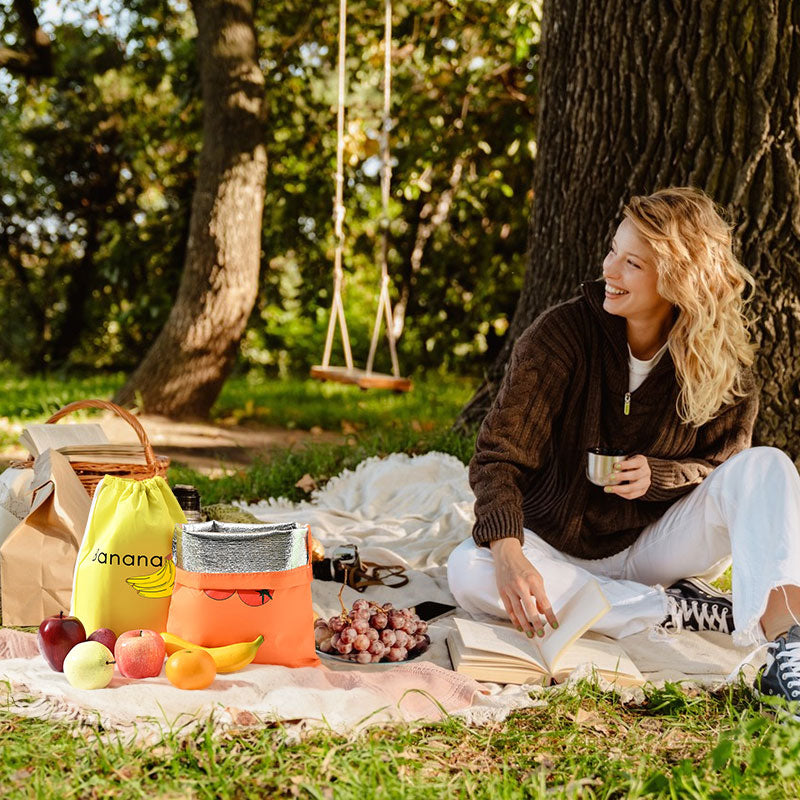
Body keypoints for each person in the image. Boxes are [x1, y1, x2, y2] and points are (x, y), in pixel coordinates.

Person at [447, 187, 800, 708]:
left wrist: (659, 477)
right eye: (614, 251)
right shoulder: (562, 336)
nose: (610, 270)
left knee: (767, 466)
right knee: (468, 569)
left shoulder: (722, 366)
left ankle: (788, 644)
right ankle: (675, 611)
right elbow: (497, 459)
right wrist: (509, 552)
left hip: (652, 545)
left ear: (680, 280)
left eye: (632, 263)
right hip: (555, 545)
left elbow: (722, 472)